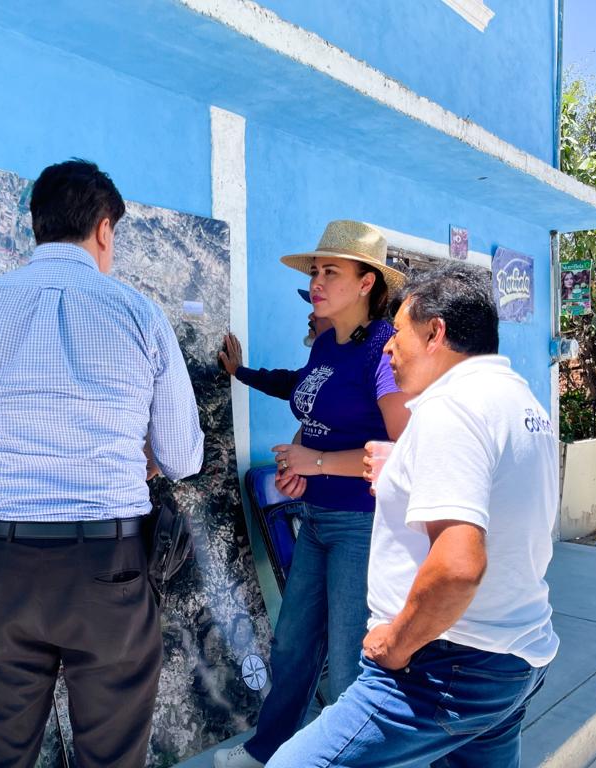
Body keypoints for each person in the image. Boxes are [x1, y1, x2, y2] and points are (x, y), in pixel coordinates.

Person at [0, 159, 204, 768]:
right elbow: (183, 456)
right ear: (104, 230)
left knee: (0, 757)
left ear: (36, 227)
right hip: (109, 567)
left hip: (1, 566)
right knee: (111, 757)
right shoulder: (139, 315)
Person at [267, 262, 559, 768]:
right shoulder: (520, 400)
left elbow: (460, 564)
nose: (387, 346)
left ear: (435, 333)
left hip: (446, 663)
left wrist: (398, 643)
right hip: (515, 659)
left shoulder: (451, 408)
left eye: (398, 332)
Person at [215, 220, 410, 768]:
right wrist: (298, 454)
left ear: (367, 281)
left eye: (330, 272)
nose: (316, 282)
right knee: (294, 646)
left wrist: (318, 461)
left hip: (361, 526)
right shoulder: (327, 342)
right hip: (317, 516)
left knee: (350, 663)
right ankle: (268, 752)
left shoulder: (384, 353)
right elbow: (309, 398)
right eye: (315, 271)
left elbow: (403, 451)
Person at [217, 289, 332, 400]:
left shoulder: (346, 371)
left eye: (321, 310)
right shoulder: (326, 359)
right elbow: (290, 384)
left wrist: (238, 371)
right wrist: (238, 370)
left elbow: (290, 385)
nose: (310, 316)